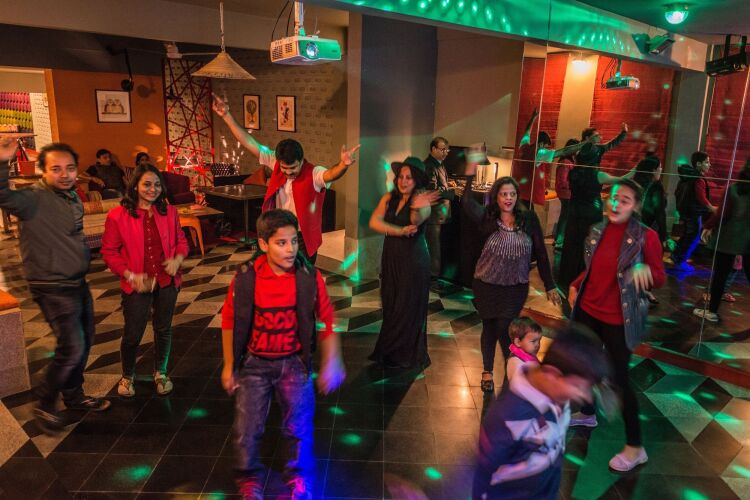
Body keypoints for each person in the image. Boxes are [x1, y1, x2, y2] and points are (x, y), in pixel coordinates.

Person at [220, 209, 345, 499]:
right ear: (263, 244)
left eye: (294, 241)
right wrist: (229, 365)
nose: (290, 249)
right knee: (247, 426)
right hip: (255, 364)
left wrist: (332, 360)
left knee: (298, 426)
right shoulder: (246, 278)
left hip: (294, 363)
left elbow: (327, 317)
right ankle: (248, 478)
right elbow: (229, 320)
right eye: (281, 243)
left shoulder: (308, 277)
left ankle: (299, 476)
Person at [0, 140, 110, 433]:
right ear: (43, 171)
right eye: (56, 169)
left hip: (76, 281)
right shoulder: (32, 198)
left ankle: (74, 396)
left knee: (85, 341)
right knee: (72, 345)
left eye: (70, 168)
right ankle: (45, 403)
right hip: (51, 285)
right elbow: (2, 195)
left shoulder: (72, 197)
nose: (64, 174)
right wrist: (2, 161)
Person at [568, 179, 666, 472]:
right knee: (584, 365)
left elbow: (660, 277)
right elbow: (594, 269)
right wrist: (576, 284)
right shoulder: (597, 230)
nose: (616, 204)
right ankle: (588, 412)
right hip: (588, 310)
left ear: (635, 206)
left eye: (624, 200)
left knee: (620, 380)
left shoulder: (646, 237)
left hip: (619, 319)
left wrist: (646, 271)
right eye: (613, 197)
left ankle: (636, 447)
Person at [212, 93, 360, 263]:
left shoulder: (314, 173)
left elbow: (331, 174)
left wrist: (343, 165)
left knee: (302, 274)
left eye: (293, 168)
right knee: (278, 272)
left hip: (302, 236)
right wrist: (226, 115)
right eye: (284, 168)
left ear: (301, 160)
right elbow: (249, 142)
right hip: (278, 231)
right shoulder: (274, 162)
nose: (288, 172)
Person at [472, 324, 611, 500]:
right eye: (578, 387)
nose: (585, 396)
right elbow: (482, 476)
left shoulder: (559, 396)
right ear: (553, 374)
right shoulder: (507, 418)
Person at [463, 148, 561, 394]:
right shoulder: (488, 219)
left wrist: (549, 284)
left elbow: (541, 252)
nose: (508, 198)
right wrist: (470, 173)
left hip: (515, 287)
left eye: (512, 194)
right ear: (496, 197)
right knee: (489, 327)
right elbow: (466, 202)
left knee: (505, 328)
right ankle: (488, 370)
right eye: (503, 194)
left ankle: (510, 373)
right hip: (486, 285)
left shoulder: (529, 220)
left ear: (517, 196)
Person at [101, 164, 189, 398]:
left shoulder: (170, 212)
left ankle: (161, 372)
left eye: (157, 184)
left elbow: (181, 241)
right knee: (133, 333)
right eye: (147, 184)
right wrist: (130, 275)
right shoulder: (117, 215)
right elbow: (109, 251)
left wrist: (177, 259)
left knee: (163, 329)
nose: (153, 189)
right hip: (136, 283)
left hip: (166, 280)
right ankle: (128, 375)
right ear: (135, 186)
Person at [368, 157, 438, 369]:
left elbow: (415, 222)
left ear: (416, 181)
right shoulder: (389, 197)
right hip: (391, 256)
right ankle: (390, 350)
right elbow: (374, 222)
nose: (403, 181)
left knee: (406, 305)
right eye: (401, 177)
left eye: (409, 178)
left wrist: (416, 207)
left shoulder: (422, 201)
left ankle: (406, 354)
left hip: (413, 260)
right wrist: (398, 231)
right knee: (390, 301)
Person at [557, 123, 630, 291]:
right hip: (590, 210)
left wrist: (623, 134)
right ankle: (585, 276)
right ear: (588, 139)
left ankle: (569, 276)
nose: (600, 138)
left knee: (573, 242)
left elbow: (611, 144)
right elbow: (621, 179)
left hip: (576, 209)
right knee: (588, 243)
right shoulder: (596, 171)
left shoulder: (576, 170)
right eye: (596, 136)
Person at [693, 159, 750, 322]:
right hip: (748, 240)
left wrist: (707, 226)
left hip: (728, 238)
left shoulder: (733, 190)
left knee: (720, 276)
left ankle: (712, 312)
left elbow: (723, 214)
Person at [513, 110, 585, 214]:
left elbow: (527, 132)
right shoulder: (540, 152)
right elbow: (563, 151)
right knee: (528, 219)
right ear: (541, 144)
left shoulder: (523, 146)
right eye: (546, 146)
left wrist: (533, 118)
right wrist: (583, 144)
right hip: (527, 195)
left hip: (518, 191)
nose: (546, 149)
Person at [671, 152, 716, 267]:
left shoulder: (687, 177)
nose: (709, 165)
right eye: (707, 162)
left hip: (685, 211)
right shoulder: (698, 179)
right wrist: (711, 208)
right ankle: (680, 261)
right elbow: (701, 197)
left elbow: (677, 193)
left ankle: (676, 256)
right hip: (694, 212)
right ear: (698, 164)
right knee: (693, 237)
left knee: (687, 235)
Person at [423, 136, 455, 283]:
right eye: (442, 150)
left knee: (437, 247)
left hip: (440, 214)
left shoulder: (439, 164)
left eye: (447, 150)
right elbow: (432, 191)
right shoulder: (429, 165)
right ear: (433, 149)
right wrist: (452, 193)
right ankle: (432, 278)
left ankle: (435, 276)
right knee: (433, 248)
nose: (445, 153)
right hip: (434, 215)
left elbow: (440, 184)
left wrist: (449, 184)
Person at [552, 139, 578, 251]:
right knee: (565, 217)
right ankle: (559, 240)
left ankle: (558, 239)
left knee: (564, 216)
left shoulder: (568, 161)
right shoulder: (566, 162)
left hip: (566, 192)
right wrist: (573, 186)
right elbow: (562, 181)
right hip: (566, 193)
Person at [506, 317, 542, 382]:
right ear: (518, 342)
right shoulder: (516, 362)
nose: (537, 345)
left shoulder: (528, 354)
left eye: (539, 340)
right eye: (533, 341)